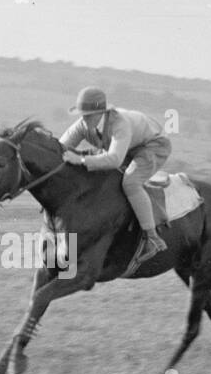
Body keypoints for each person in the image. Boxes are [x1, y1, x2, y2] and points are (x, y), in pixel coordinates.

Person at [60, 86, 171, 272]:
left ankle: (152, 238)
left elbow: (114, 159)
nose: (84, 120)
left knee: (130, 182)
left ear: (101, 112)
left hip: (153, 145)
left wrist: (80, 159)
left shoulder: (120, 123)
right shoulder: (83, 124)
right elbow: (61, 148)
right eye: (82, 115)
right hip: (130, 146)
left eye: (89, 115)